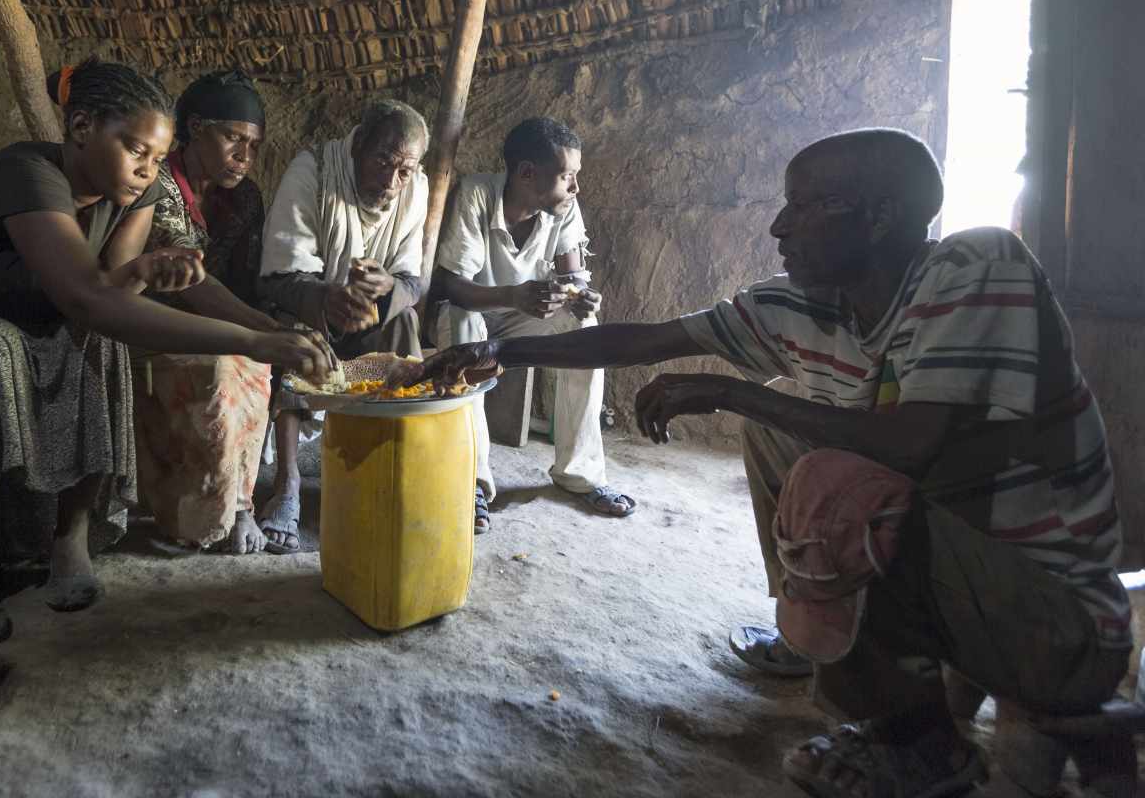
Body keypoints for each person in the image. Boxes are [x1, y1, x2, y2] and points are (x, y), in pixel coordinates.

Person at [398, 128, 1131, 797]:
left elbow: (913, 445)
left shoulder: (976, 266)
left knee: (830, 473)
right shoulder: (808, 306)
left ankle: (922, 746)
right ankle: (841, 646)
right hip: (956, 603)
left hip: (1053, 621)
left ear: (878, 218)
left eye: (806, 207)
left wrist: (728, 391)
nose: (780, 226)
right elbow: (647, 339)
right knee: (782, 433)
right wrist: (502, 349)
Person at [0, 59, 330, 647]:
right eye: (135, 150)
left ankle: (72, 534)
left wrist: (145, 271)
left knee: (102, 339)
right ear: (83, 126)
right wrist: (255, 341)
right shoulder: (26, 173)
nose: (146, 170)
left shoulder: (133, 197)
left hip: (36, 327)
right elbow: (89, 298)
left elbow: (111, 293)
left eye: (153, 159)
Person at [432, 117, 634, 533]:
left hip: (522, 316)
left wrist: (580, 296)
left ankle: (580, 474)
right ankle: (472, 480)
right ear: (527, 173)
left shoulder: (563, 207)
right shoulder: (476, 194)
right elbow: (452, 286)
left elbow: (573, 273)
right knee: (468, 323)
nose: (576, 187)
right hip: (470, 314)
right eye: (567, 177)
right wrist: (512, 295)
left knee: (586, 330)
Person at [255, 99, 430, 553]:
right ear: (357, 147)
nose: (391, 182)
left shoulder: (416, 189)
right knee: (295, 333)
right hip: (310, 305)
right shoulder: (312, 171)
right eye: (382, 161)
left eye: (404, 170)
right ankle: (288, 483)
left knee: (405, 329)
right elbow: (278, 274)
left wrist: (386, 285)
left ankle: (387, 469)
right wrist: (327, 299)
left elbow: (413, 279)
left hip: (370, 316)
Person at [132, 71, 279, 555]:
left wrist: (269, 325)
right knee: (221, 367)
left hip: (213, 325)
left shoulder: (243, 197)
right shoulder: (158, 184)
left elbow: (245, 282)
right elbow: (195, 283)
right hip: (148, 325)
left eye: (253, 145)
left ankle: (239, 507)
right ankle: (199, 518)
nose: (244, 156)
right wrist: (263, 329)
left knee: (252, 363)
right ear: (195, 128)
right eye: (233, 138)